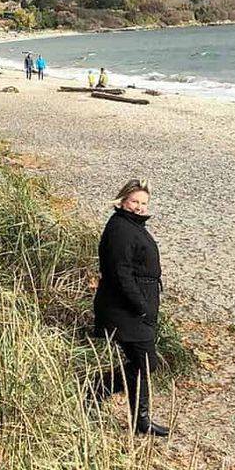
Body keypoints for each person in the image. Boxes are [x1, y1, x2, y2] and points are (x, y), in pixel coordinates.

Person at [92, 178, 169, 438]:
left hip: (135, 307)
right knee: (145, 361)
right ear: (122, 201)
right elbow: (119, 274)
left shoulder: (130, 225)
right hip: (124, 309)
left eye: (143, 202)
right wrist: (142, 307)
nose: (139, 207)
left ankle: (140, 419)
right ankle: (95, 390)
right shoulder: (120, 230)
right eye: (135, 201)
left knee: (142, 362)